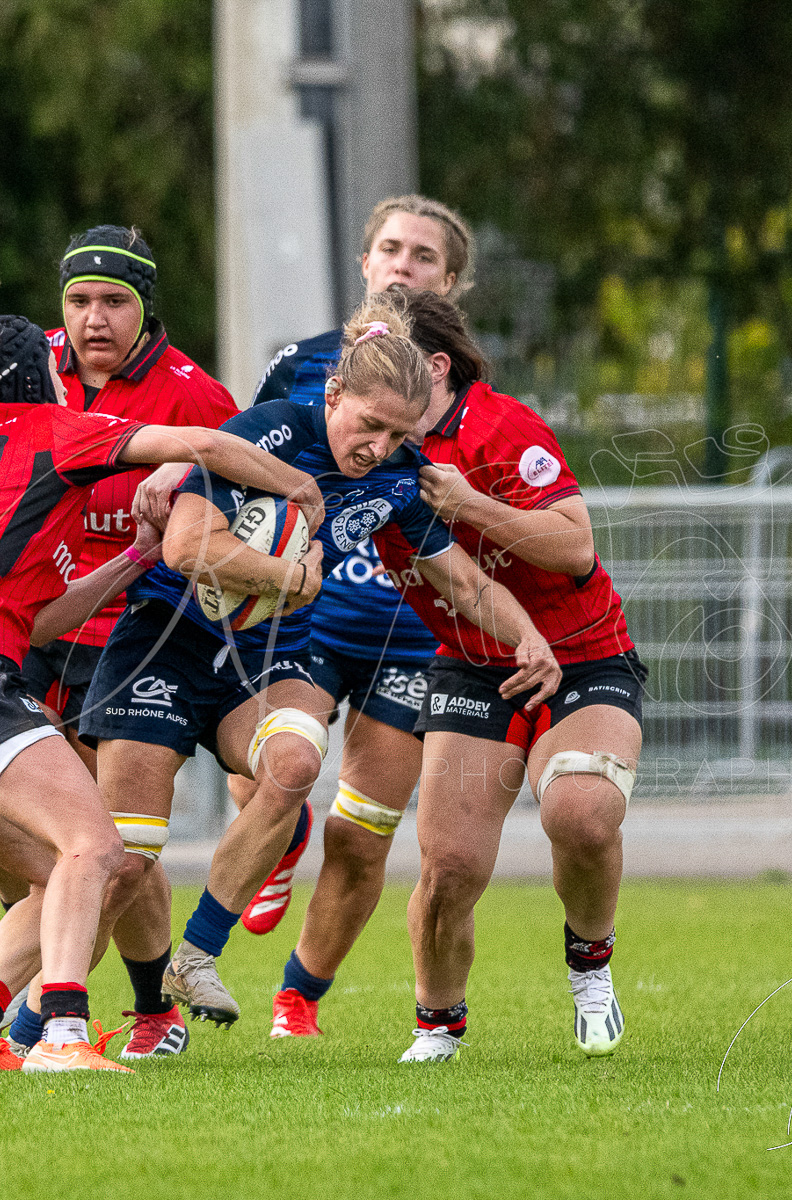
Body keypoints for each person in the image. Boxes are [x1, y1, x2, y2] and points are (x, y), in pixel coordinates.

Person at [0, 269, 323, 1073]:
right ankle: (65, 1037)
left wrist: (137, 558)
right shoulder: (44, 425)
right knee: (96, 846)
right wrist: (299, 487)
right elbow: (208, 445)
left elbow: (41, 620)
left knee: (57, 879)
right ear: (33, 376)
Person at [79, 295, 561, 1029]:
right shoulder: (273, 430)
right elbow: (184, 546)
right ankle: (32, 1022)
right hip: (167, 640)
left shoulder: (399, 477)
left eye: (398, 433)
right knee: (124, 860)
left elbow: (462, 582)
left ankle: (197, 956)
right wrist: (287, 575)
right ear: (333, 394)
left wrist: (527, 635)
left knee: (296, 764)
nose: (378, 447)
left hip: (264, 653)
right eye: (369, 425)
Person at [372, 286, 644, 1063]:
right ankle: (438, 1024)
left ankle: (591, 965)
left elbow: (575, 547)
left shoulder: (499, 426)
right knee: (449, 865)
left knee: (581, 812)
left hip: (584, 652)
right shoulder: (366, 448)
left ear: (433, 367)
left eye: (384, 356)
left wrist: (468, 504)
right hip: (473, 661)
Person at [0, 226, 239, 1063]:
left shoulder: (194, 396)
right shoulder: (30, 369)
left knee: (108, 845)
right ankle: (119, 998)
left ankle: (78, 1014)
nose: (94, 318)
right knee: (53, 844)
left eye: (114, 301)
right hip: (37, 624)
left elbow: (241, 487)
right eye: (79, 300)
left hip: (129, 637)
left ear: (145, 307)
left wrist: (191, 474)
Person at [242, 196, 477, 1039]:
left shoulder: (469, 392)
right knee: (269, 770)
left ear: (451, 282)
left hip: (409, 638)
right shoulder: (301, 365)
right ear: (365, 263)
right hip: (305, 614)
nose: (404, 264)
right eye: (391, 248)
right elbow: (241, 465)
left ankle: (298, 997)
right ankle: (278, 839)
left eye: (425, 255)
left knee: (363, 835)